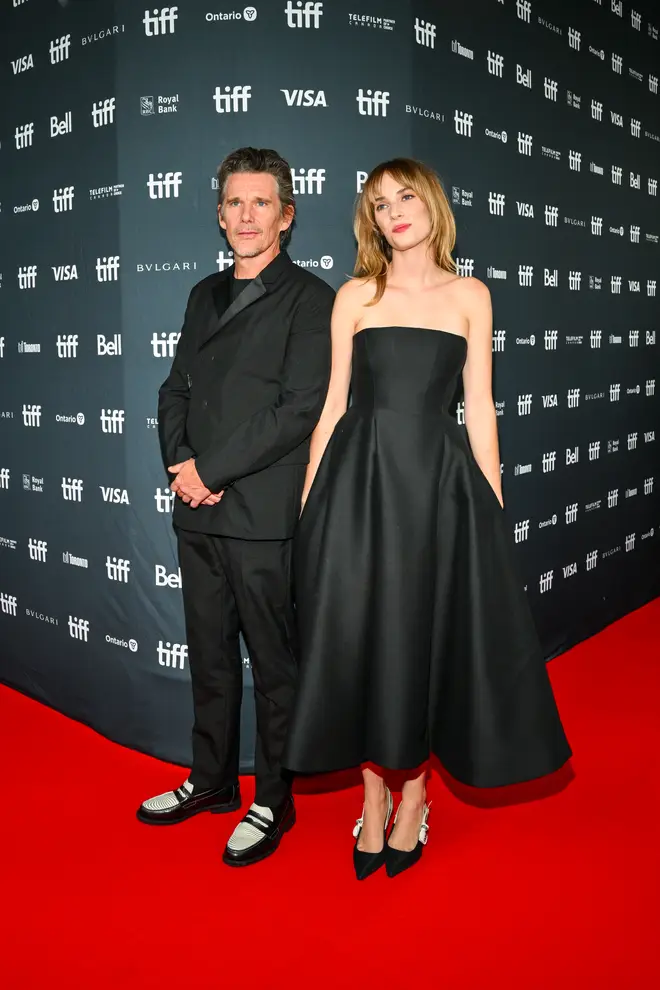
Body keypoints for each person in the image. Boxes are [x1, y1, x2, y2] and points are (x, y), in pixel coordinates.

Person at [283, 158, 571, 880]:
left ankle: (416, 797)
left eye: (406, 198)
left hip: (438, 489)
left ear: (432, 205)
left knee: (421, 640)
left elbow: (480, 408)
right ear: (370, 222)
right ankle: (373, 800)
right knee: (365, 639)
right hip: (360, 485)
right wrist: (311, 500)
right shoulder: (355, 295)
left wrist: (492, 509)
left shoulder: (471, 294)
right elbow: (334, 407)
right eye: (379, 205)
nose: (394, 213)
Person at [137, 147, 334, 867]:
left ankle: (271, 800)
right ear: (219, 215)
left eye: (261, 203)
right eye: (233, 203)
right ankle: (211, 779)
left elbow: (297, 410)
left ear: (286, 214)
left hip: (260, 514)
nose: (245, 216)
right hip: (197, 509)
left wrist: (212, 468)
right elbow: (173, 391)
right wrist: (181, 467)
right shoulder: (200, 294)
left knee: (275, 666)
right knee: (210, 658)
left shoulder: (313, 300)